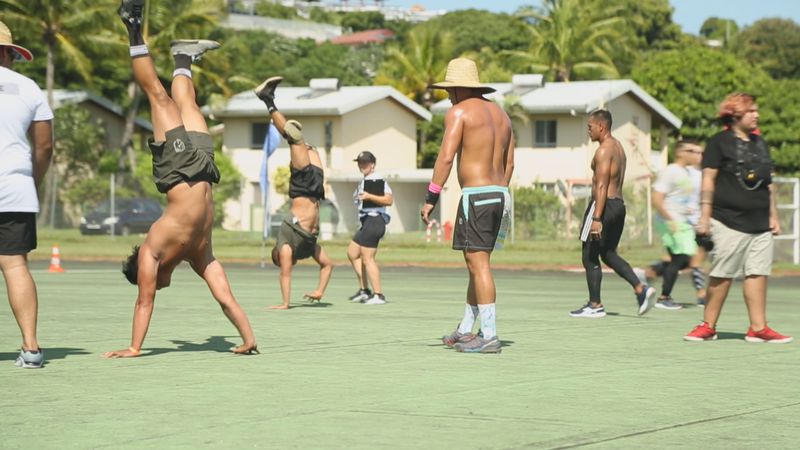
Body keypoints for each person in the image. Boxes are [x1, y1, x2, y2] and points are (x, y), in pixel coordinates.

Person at [104, 0, 257, 358]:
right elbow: (225, 297)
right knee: (189, 107)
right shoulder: (200, 255)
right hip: (202, 167)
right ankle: (183, 58)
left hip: (176, 168)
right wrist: (249, 338)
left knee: (158, 95)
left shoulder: (150, 253)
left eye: (155, 283)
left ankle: (131, 25)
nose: (160, 286)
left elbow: (144, 301)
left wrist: (134, 347)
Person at [421, 58, 514, 354]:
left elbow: (445, 158)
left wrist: (431, 197)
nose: (448, 95)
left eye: (450, 90)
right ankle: (466, 329)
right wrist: (497, 189)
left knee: (480, 265)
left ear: (461, 88)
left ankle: (489, 334)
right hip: (501, 194)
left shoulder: (459, 112)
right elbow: (510, 162)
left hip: (477, 196)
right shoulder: (501, 115)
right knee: (475, 265)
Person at [684, 93, 792, 343]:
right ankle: (708, 325)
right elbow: (708, 180)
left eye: (756, 110)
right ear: (736, 115)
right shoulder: (718, 143)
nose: (757, 115)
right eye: (751, 111)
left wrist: (773, 215)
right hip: (727, 220)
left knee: (758, 273)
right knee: (722, 275)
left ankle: (758, 328)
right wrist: (704, 216)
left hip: (760, 223)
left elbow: (769, 183)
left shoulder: (760, 143)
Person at [0, 20, 54, 368]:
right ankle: (31, 349)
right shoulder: (30, 87)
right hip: (15, 187)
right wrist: (30, 181)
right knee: (15, 264)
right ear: (6, 52)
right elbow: (45, 146)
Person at [254, 76, 333, 310]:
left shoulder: (285, 246)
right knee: (305, 144)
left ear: (278, 255)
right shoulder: (307, 247)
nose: (287, 262)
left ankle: (267, 100)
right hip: (315, 190)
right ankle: (267, 99)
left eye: (282, 260)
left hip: (302, 188)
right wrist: (320, 290)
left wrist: (285, 304)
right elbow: (328, 265)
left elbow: (285, 275)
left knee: (295, 139)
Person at [569, 110, 657, 318]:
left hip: (603, 206)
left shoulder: (603, 151)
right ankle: (640, 289)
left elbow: (601, 185)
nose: (588, 131)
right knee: (608, 253)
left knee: (589, 255)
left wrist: (597, 218)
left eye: (590, 127)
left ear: (602, 126)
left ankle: (595, 304)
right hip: (618, 205)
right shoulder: (619, 148)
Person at [649, 141, 704, 310]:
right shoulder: (671, 171)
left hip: (682, 221)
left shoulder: (687, 172)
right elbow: (656, 199)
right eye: (692, 151)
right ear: (680, 153)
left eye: (699, 152)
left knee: (684, 259)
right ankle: (664, 297)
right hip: (671, 221)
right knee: (682, 258)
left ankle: (651, 273)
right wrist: (669, 219)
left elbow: (680, 197)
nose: (697, 155)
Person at [347, 151, 393, 305]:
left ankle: (378, 295)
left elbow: (389, 200)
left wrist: (369, 197)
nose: (362, 165)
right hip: (366, 221)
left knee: (368, 259)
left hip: (375, 220)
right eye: (360, 162)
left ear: (372, 165)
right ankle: (364, 290)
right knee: (353, 253)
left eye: (365, 162)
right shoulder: (364, 181)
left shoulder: (378, 180)